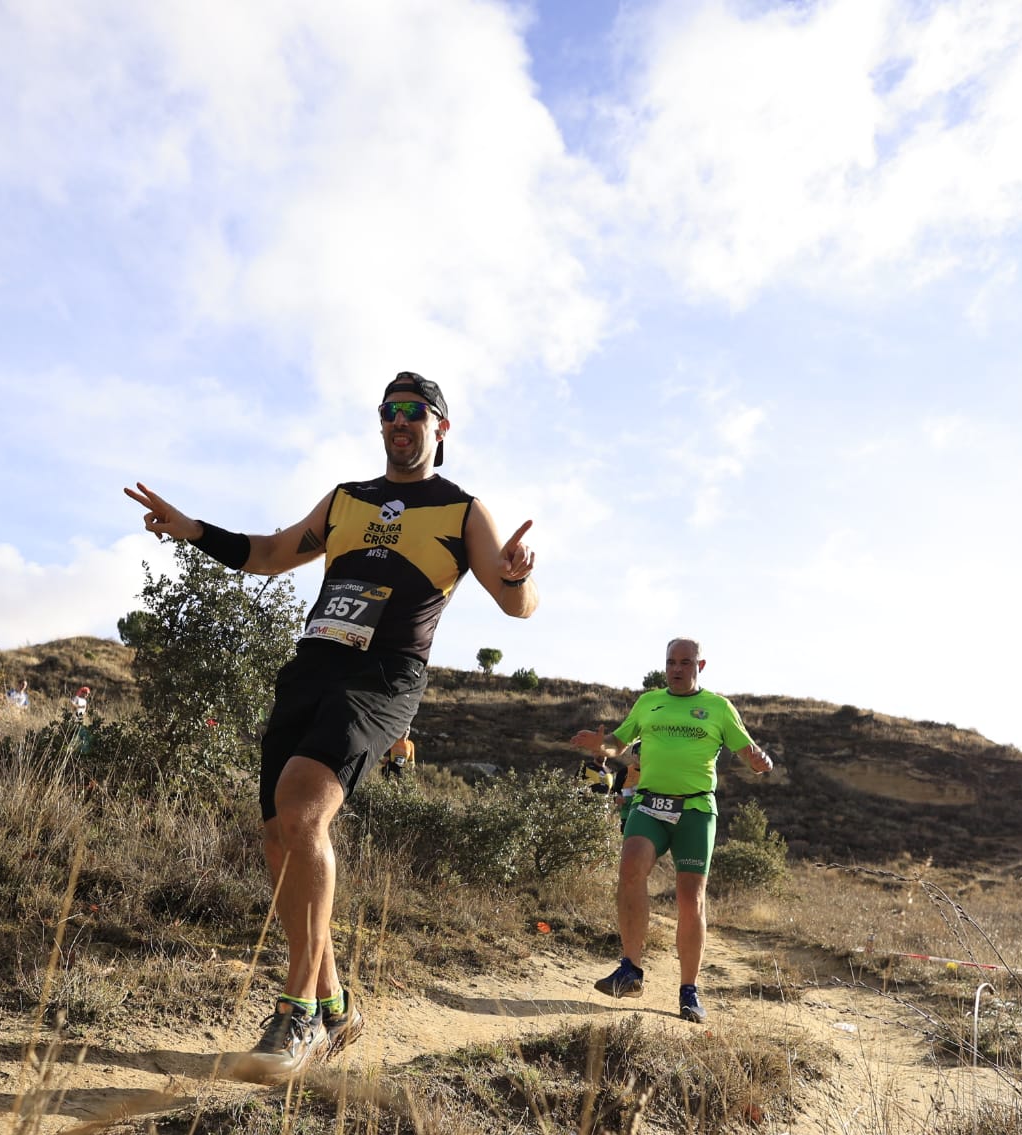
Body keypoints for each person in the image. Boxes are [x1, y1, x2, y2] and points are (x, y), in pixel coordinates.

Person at [126, 372, 537, 1075]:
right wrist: (191, 530)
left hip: (382, 679)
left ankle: (300, 1016)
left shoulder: (461, 509)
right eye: (389, 412)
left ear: (442, 426)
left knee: (303, 812)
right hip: (310, 670)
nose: (399, 422)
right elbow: (266, 554)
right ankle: (337, 1004)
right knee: (279, 837)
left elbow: (515, 606)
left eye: (414, 412)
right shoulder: (349, 500)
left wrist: (518, 572)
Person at [570, 638, 772, 1023]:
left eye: (684, 662)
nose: (676, 669)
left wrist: (760, 762)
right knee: (630, 867)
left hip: (696, 809)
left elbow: (750, 752)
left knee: (689, 897)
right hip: (650, 803)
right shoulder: (649, 703)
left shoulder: (718, 708)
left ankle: (688, 990)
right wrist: (603, 744)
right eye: (670, 663)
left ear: (701, 665)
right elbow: (619, 741)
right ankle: (630, 969)